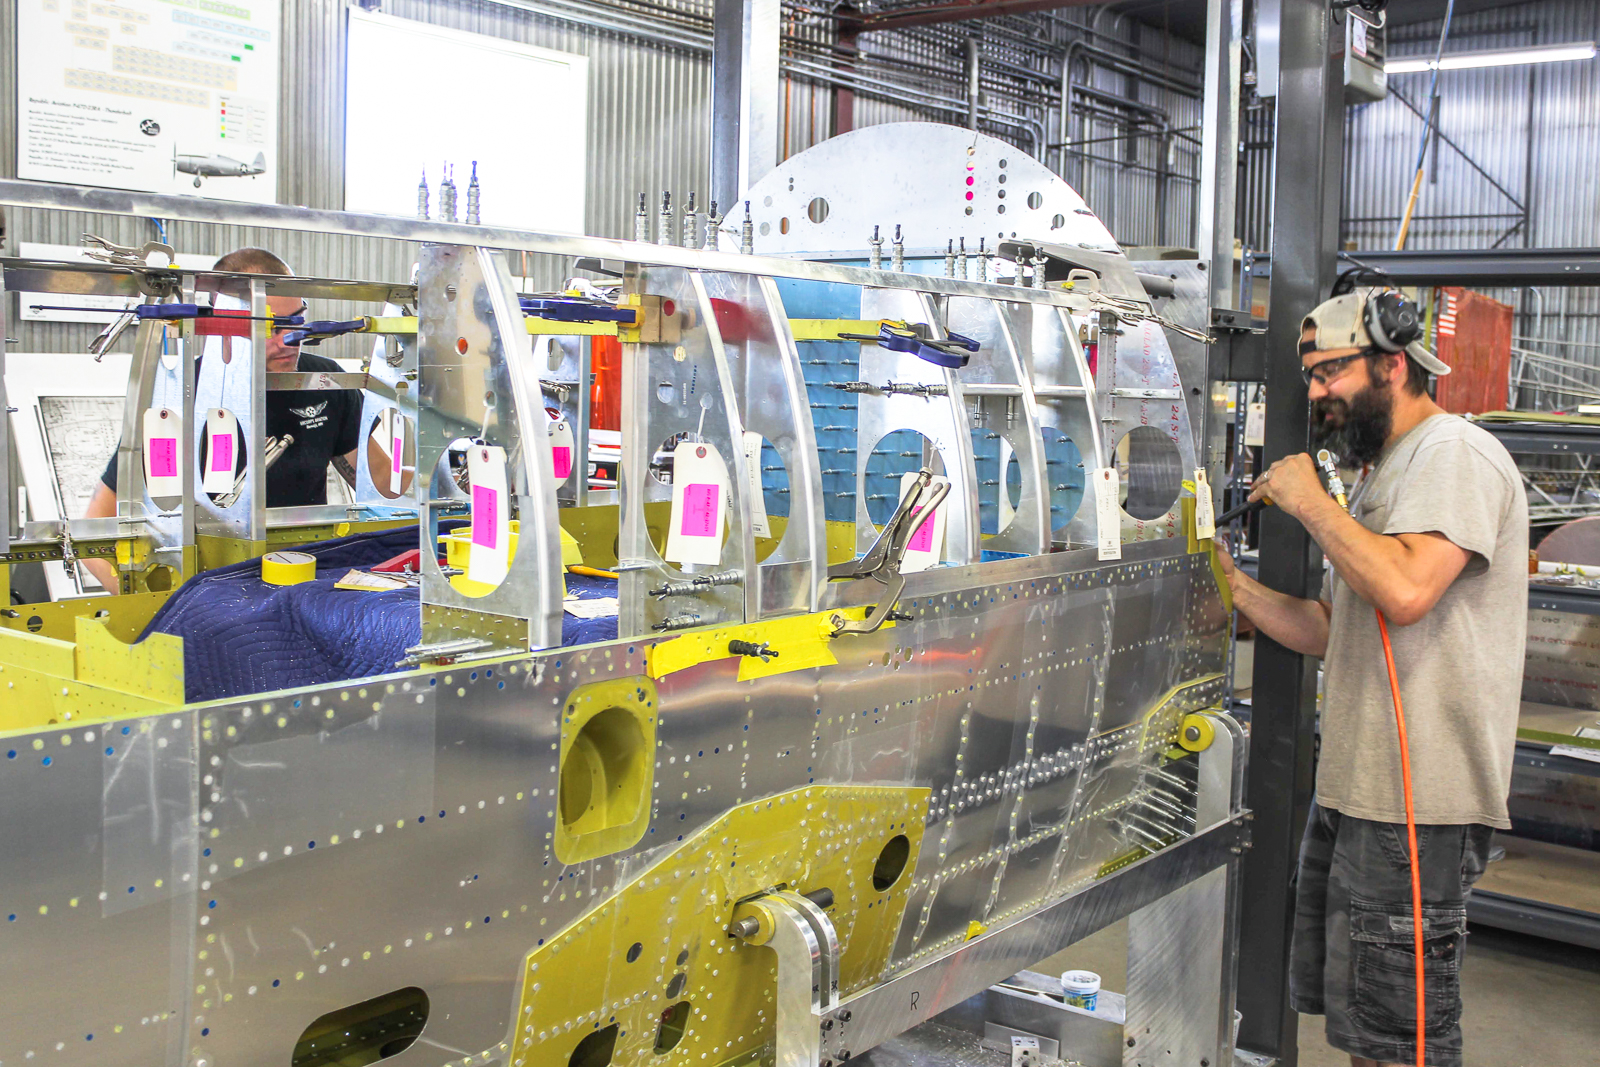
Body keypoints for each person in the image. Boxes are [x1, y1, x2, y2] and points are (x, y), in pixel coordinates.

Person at [1216, 288, 1527, 1067]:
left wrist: (1313, 505)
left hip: (1417, 805)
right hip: (1361, 792)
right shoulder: (1389, 468)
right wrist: (1233, 589)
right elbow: (1338, 626)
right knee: (1366, 1031)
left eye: (1330, 374)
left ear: (1392, 364)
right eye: (1312, 377)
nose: (1317, 394)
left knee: (1402, 1041)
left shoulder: (1452, 453)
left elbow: (1408, 592)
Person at [82, 248, 363, 592]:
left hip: (308, 579)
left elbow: (372, 484)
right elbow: (97, 523)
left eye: (297, 322)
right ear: (222, 326)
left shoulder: (325, 380)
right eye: (271, 327)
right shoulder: (181, 394)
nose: (289, 342)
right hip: (213, 586)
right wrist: (151, 608)